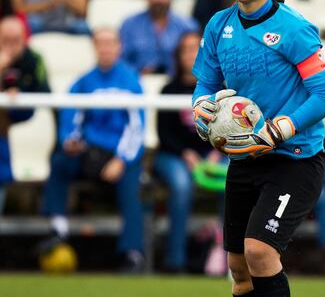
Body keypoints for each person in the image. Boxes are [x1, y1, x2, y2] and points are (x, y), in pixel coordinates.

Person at [192, 0, 325, 297]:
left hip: (294, 158)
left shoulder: (294, 29)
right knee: (237, 265)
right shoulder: (218, 25)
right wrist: (201, 111)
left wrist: (280, 128)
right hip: (245, 160)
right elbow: (204, 86)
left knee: (259, 251)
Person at [42, 28, 145, 273]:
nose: (106, 48)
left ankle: (132, 252)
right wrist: (70, 141)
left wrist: (121, 159)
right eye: (101, 43)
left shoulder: (131, 80)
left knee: (132, 180)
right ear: (94, 47)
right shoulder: (83, 81)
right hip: (89, 151)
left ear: (119, 47)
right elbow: (70, 119)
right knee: (59, 162)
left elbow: (136, 128)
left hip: (118, 153)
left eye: (111, 43)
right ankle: (58, 228)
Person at [154, 31, 224, 272]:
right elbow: (163, 134)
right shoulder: (168, 90)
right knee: (182, 186)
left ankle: (227, 255)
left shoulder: (218, 89)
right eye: (186, 49)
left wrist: (217, 150)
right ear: (178, 55)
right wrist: (186, 153)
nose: (191, 54)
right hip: (174, 155)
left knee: (235, 180)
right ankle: (176, 260)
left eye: (196, 48)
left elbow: (227, 127)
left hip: (212, 154)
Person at [0, 16, 49, 211]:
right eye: (5, 40)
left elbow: (46, 93)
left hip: (22, 120)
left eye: (16, 40)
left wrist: (20, 94)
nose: (11, 46)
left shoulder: (34, 59)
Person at [120, 0, 198, 75]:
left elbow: (196, 61)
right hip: (138, 82)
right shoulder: (129, 25)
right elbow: (120, 60)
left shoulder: (187, 26)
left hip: (176, 85)